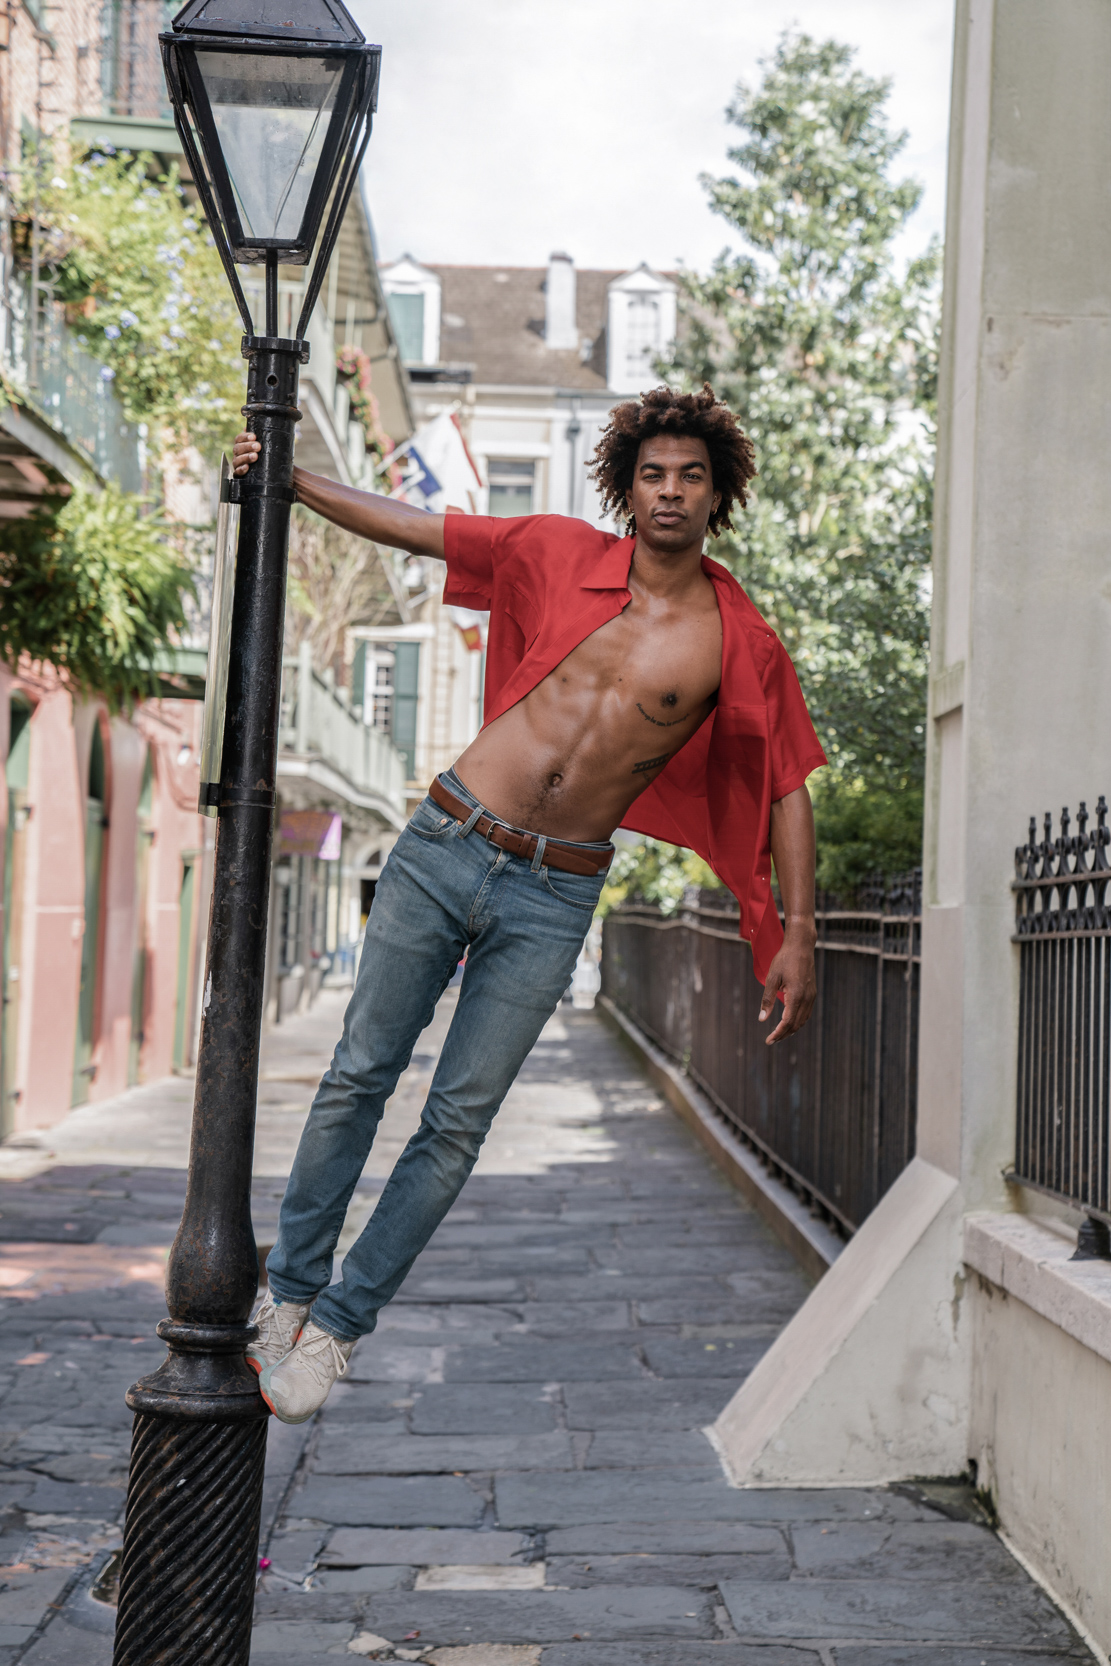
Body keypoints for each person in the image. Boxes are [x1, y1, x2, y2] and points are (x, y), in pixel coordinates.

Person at [234, 383, 826, 1424]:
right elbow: (421, 528)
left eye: (691, 476)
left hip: (556, 890)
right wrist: (291, 481)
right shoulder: (553, 549)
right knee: (358, 1072)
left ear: (718, 492)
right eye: (654, 474)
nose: (671, 492)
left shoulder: (739, 640)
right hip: (446, 840)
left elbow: (785, 783)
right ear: (627, 487)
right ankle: (285, 1298)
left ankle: (338, 1327)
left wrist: (799, 933)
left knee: (457, 1122)